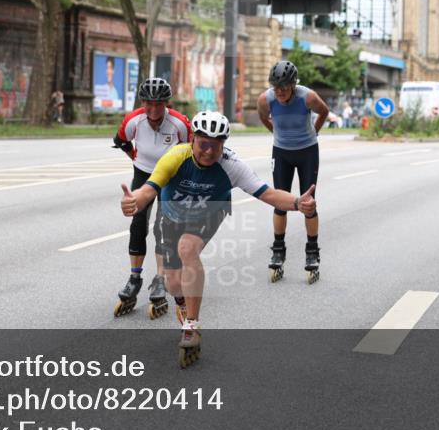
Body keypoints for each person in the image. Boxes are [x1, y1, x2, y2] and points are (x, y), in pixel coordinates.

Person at [121, 111, 316, 367]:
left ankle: (191, 324)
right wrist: (135, 200)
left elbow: (267, 194)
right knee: (171, 283)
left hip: (208, 214)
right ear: (193, 141)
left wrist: (296, 203)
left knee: (187, 248)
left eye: (216, 145)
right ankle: (181, 302)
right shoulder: (175, 157)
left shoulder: (231, 165)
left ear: (224, 144)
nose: (209, 152)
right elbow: (149, 189)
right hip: (170, 216)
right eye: (204, 144)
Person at [111, 78, 191, 319]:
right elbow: (121, 141)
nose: (153, 110)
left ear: (167, 103)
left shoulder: (179, 123)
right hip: (144, 174)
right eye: (148, 104)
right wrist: (135, 157)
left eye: (159, 104)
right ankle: (134, 278)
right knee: (137, 224)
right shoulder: (133, 120)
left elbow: (191, 152)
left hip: (170, 177)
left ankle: (160, 278)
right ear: (142, 103)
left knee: (163, 228)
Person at [256, 60, 329, 283]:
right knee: (280, 202)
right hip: (281, 152)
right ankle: (278, 250)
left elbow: (324, 112)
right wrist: (277, 133)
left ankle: (312, 252)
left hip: (307, 151)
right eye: (276, 87)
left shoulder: (307, 97)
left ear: (293, 85)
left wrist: (313, 133)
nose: (279, 92)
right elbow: (263, 117)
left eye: (284, 87)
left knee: (308, 203)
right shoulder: (265, 99)